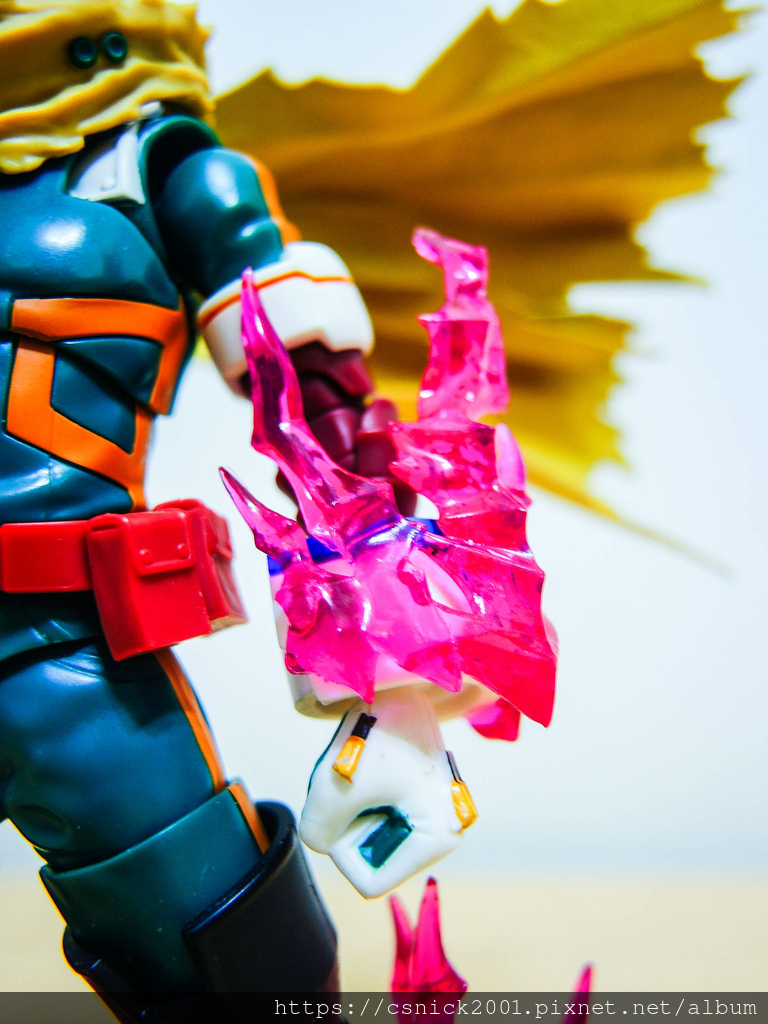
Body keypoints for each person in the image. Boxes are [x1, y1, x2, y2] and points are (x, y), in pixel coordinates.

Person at [0, 0, 407, 1013]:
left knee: (227, 960)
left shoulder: (160, 172)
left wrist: (396, 672)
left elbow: (325, 411)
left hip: (60, 656)